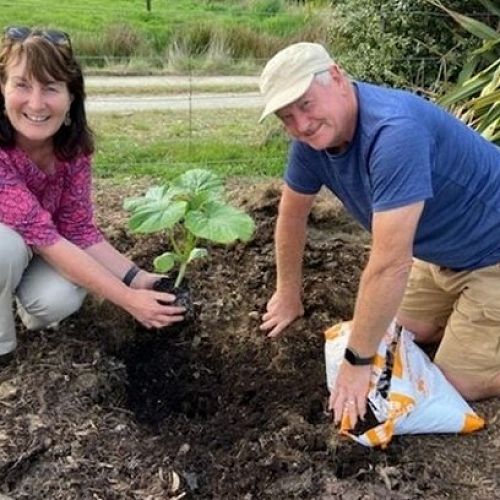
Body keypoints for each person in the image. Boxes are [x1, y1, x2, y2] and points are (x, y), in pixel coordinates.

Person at [258, 42, 500, 428]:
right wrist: (288, 293)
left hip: (493, 251)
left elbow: (389, 265)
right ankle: (466, 319)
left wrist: (357, 362)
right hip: (443, 253)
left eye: (305, 104)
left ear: (337, 78)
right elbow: (291, 216)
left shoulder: (394, 134)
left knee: (458, 382)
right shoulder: (312, 143)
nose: (300, 124)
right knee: (404, 331)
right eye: (287, 116)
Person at [0, 26, 185, 365]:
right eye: (22, 84)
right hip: (11, 247)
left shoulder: (71, 151)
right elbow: (43, 237)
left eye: (51, 88)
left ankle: (16, 303)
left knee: (57, 299)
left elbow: (78, 230)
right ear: (2, 89)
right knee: (4, 248)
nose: (36, 103)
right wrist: (128, 299)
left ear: (71, 97)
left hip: (35, 248)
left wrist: (138, 278)